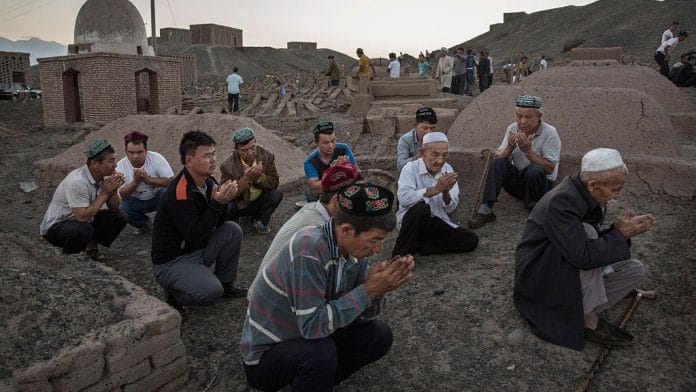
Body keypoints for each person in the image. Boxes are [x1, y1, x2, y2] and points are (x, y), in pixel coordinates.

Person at [240, 183, 415, 391]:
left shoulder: (353, 254)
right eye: (375, 240)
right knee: (320, 354)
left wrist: (378, 291)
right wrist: (368, 290)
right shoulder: (309, 249)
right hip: (266, 355)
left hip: (303, 335)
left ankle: (312, 381)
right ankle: (310, 376)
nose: (378, 250)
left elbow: (361, 316)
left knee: (379, 336)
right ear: (347, 230)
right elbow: (312, 325)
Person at [514, 148, 655, 350]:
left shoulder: (587, 194)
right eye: (615, 189)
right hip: (540, 271)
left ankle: (576, 306)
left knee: (635, 270)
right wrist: (619, 235)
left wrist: (617, 231)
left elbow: (589, 246)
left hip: (568, 261)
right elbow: (582, 256)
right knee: (587, 232)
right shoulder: (562, 201)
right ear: (593, 184)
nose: (617, 196)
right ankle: (589, 321)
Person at [151, 131, 247, 311]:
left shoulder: (208, 181)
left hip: (195, 249)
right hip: (173, 260)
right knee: (211, 292)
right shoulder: (178, 193)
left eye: (214, 154)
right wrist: (218, 204)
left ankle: (226, 282)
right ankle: (174, 293)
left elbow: (218, 222)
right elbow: (194, 234)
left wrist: (225, 202)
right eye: (207, 156)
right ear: (189, 161)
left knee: (232, 229)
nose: (213, 160)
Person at [257, 163, 359, 288]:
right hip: (273, 301)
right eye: (354, 199)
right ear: (336, 201)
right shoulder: (317, 228)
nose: (356, 207)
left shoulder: (314, 208)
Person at [469, 95, 561, 229]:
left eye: (528, 117)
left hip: (540, 185)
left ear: (539, 116)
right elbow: (500, 158)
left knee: (534, 169)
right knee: (498, 163)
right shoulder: (512, 128)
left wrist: (528, 152)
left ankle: (534, 207)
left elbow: (549, 168)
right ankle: (486, 210)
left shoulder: (550, 133)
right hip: (520, 182)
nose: (522, 121)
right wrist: (510, 147)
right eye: (519, 116)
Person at [392, 132, 479, 257]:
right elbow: (404, 199)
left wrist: (445, 193)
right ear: (423, 153)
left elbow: (450, 208)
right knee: (421, 208)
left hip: (436, 221)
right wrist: (435, 189)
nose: (440, 161)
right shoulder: (410, 168)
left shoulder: (448, 169)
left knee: (471, 240)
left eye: (444, 155)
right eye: (435, 155)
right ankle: (399, 255)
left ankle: (420, 246)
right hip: (412, 222)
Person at [40, 140, 128, 261]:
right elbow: (81, 217)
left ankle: (91, 247)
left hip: (83, 220)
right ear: (95, 163)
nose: (115, 165)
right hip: (57, 226)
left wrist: (114, 190)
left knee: (119, 216)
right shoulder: (77, 181)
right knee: (83, 230)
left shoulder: (107, 174)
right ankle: (72, 259)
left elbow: (114, 208)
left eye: (115, 159)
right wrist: (105, 193)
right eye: (111, 160)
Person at [220, 127, 283, 235]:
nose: (250, 153)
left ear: (256, 143)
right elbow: (227, 194)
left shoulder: (267, 156)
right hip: (240, 204)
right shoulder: (227, 166)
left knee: (276, 194)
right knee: (227, 206)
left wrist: (259, 178)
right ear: (236, 150)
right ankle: (233, 227)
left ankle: (259, 221)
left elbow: (274, 183)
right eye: (244, 150)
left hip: (259, 199)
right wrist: (247, 178)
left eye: (253, 148)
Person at [116, 131, 174, 235]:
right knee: (122, 209)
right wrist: (135, 182)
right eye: (131, 153)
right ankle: (144, 224)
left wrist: (149, 180)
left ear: (146, 150)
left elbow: (171, 181)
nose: (135, 156)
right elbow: (121, 195)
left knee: (170, 193)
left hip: (158, 197)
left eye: (139, 152)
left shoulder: (156, 158)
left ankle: (167, 224)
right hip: (136, 201)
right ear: (125, 151)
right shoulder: (120, 166)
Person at [303, 121, 358, 202]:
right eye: (326, 143)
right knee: (309, 192)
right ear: (316, 142)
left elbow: (357, 173)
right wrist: (333, 171)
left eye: (333, 141)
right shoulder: (310, 162)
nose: (331, 146)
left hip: (344, 186)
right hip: (325, 192)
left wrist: (346, 167)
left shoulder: (343, 149)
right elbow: (315, 189)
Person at [396, 107, 438, 172]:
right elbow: (400, 166)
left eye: (432, 128)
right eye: (425, 128)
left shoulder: (437, 139)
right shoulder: (405, 140)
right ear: (415, 125)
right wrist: (420, 155)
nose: (429, 132)